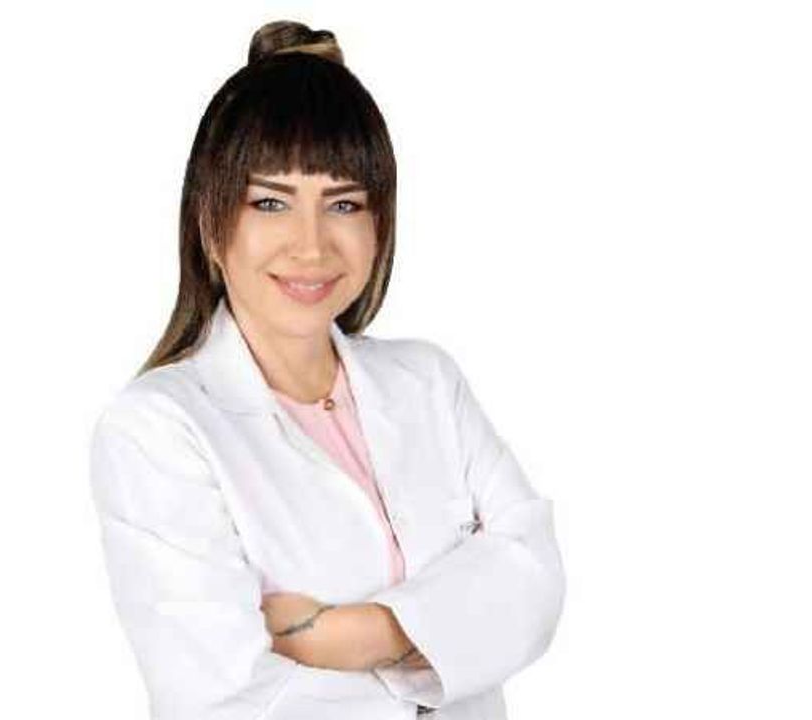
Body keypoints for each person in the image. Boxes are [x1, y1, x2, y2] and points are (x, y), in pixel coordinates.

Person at [88, 20, 565, 720]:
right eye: (270, 203)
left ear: (380, 222)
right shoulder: (157, 429)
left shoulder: (429, 383)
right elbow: (222, 696)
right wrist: (449, 635)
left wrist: (364, 633)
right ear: (209, 224)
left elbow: (535, 578)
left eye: (343, 204)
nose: (311, 246)